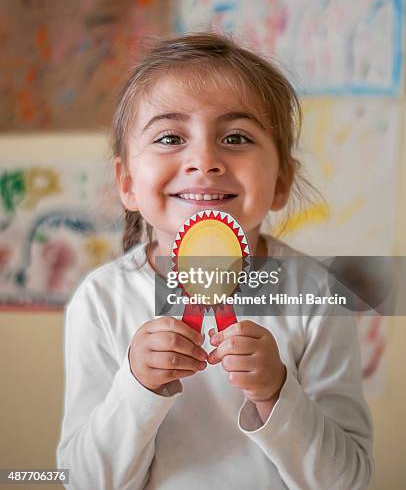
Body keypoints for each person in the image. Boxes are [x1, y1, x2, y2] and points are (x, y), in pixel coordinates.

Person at [56, 33, 373, 489]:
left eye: (237, 137)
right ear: (127, 182)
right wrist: (137, 387)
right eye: (170, 137)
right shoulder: (102, 299)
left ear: (281, 181)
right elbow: (83, 480)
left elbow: (350, 481)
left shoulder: (318, 292)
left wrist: (276, 393)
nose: (204, 160)